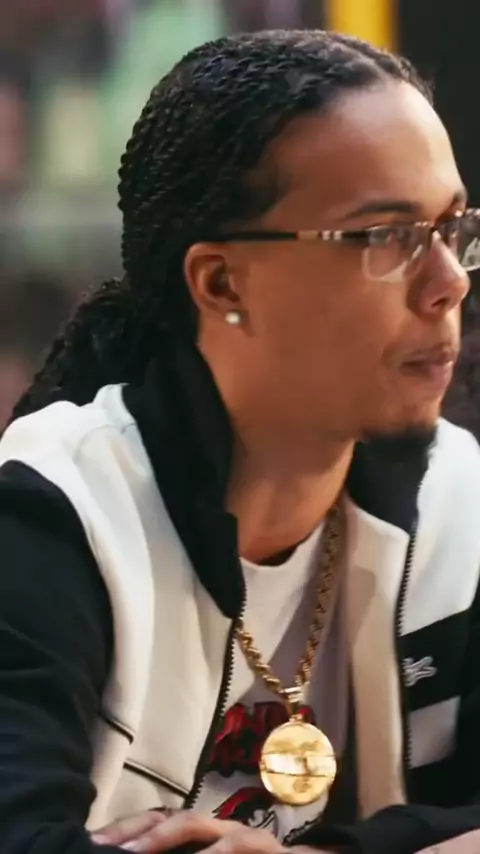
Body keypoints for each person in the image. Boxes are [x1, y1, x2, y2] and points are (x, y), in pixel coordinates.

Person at [2, 28, 480, 854]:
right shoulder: (54, 517)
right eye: (386, 237)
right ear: (222, 282)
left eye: (452, 228)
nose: (449, 282)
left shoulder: (456, 502)